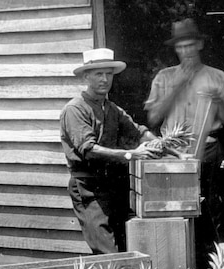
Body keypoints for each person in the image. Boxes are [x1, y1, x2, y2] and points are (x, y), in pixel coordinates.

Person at [144, 19, 224, 247]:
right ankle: (179, 259)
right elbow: (153, 119)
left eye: (190, 45)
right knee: (175, 209)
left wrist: (219, 103)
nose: (186, 51)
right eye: (180, 46)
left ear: (199, 44)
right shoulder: (164, 77)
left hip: (208, 152)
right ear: (175, 49)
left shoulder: (217, 76)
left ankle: (213, 266)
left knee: (212, 208)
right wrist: (176, 87)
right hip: (173, 154)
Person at [60, 48, 156, 254]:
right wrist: (130, 155)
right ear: (86, 76)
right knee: (106, 251)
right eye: (98, 74)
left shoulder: (111, 109)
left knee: (124, 245)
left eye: (109, 74)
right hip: (88, 187)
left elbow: (138, 132)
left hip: (112, 185)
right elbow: (89, 150)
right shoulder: (75, 109)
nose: (105, 79)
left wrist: (169, 148)